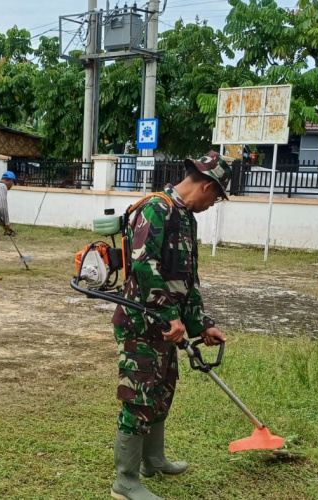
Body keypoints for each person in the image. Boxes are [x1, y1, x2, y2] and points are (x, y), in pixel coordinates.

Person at [109, 151, 231, 500]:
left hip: (166, 326)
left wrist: (202, 324)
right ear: (207, 186)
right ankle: (125, 481)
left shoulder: (186, 218)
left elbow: (187, 280)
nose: (214, 204)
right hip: (140, 324)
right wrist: (170, 315)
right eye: (217, 197)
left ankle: (153, 459)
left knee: (163, 392)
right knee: (139, 396)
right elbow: (144, 267)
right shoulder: (156, 209)